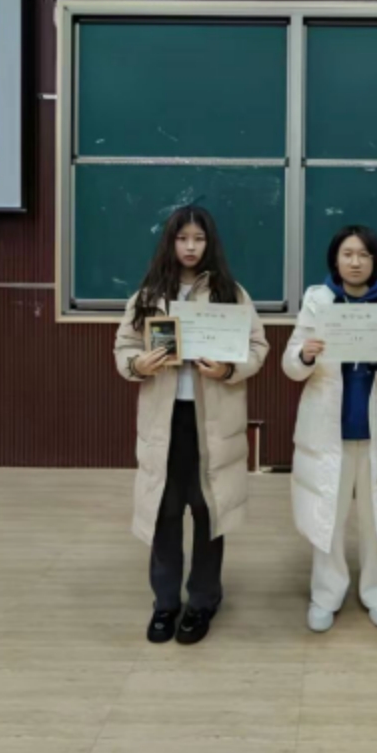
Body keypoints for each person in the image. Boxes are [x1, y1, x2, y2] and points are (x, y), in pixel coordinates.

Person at [115, 205, 269, 646]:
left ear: (209, 243)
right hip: (165, 423)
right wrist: (138, 364)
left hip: (213, 423)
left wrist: (228, 369)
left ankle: (202, 601)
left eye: (198, 239)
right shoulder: (149, 294)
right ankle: (165, 603)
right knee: (164, 512)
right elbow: (124, 347)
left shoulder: (230, 293)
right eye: (182, 238)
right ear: (170, 242)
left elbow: (257, 347)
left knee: (208, 511)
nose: (189, 247)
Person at [283, 225, 377, 633]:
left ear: (374, 260)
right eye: (347, 253)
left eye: (364, 254)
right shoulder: (318, 301)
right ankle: (325, 594)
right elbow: (290, 365)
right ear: (335, 258)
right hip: (329, 428)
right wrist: (304, 354)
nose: (355, 262)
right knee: (327, 515)